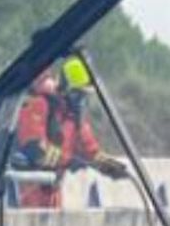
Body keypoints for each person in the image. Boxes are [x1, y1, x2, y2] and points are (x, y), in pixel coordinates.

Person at [11, 56, 127, 210]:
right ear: (65, 89)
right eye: (78, 94)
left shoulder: (75, 120)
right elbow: (34, 149)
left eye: (85, 96)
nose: (81, 101)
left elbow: (91, 151)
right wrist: (69, 160)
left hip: (52, 195)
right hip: (25, 193)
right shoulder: (39, 104)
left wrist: (108, 166)